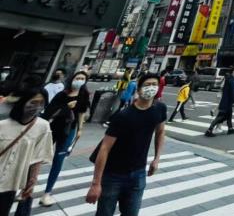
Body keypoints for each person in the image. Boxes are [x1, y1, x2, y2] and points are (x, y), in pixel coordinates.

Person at [85, 73, 166, 216]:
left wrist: (156, 158)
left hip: (138, 173)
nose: (151, 88)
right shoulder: (123, 116)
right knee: (105, 213)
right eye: (147, 85)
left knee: (131, 213)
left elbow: (160, 132)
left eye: (155, 85)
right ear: (139, 89)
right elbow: (104, 148)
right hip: (113, 174)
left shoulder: (160, 109)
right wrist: (96, 183)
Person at [0, 86, 53, 216]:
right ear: (23, 102)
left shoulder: (43, 126)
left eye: (41, 103)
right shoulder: (3, 124)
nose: (37, 107)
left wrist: (32, 181)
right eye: (34, 102)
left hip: (10, 184)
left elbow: (38, 156)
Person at [40, 71, 90, 207]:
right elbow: (49, 110)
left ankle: (47, 193)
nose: (79, 80)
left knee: (58, 160)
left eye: (83, 79)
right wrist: (66, 107)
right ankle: (26, 187)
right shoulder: (63, 94)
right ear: (72, 79)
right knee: (39, 157)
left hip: (69, 131)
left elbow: (81, 113)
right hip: (53, 129)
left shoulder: (84, 95)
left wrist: (80, 129)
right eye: (77, 78)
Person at [204, 69, 234, 137]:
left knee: (229, 115)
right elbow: (232, 92)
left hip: (225, 100)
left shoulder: (228, 79)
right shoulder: (232, 80)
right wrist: (233, 101)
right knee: (221, 116)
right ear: (233, 72)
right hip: (228, 102)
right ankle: (209, 130)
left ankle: (230, 129)